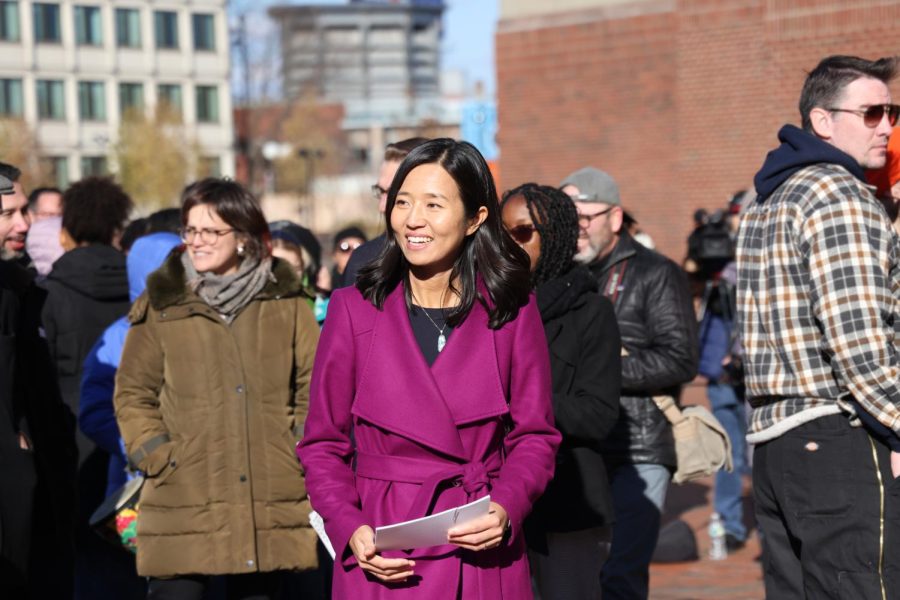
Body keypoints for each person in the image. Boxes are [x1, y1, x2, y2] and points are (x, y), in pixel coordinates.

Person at [298, 139, 561, 598]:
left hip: (480, 547)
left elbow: (535, 436)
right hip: (383, 551)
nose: (412, 220)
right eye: (402, 202)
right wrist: (349, 525)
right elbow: (322, 444)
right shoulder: (353, 310)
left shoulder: (513, 311)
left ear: (475, 218)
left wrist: (505, 507)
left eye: (433, 205)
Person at [737, 55, 900, 598]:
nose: (887, 126)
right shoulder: (838, 194)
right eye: (872, 112)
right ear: (822, 121)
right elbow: (861, 345)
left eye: (892, 112)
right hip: (841, 439)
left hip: (775, 445)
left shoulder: (769, 196)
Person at [114, 178, 320, 599]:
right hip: (182, 491)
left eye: (211, 231)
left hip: (270, 493)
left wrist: (295, 448)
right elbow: (133, 392)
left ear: (242, 237)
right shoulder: (164, 302)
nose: (198, 241)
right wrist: (158, 455)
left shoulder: (285, 301)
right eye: (191, 230)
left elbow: (313, 387)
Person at [560, 167, 698, 600]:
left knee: (619, 573)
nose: (578, 229)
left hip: (639, 450)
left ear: (615, 218)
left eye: (587, 217)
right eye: (569, 219)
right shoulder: (561, 278)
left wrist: (600, 373)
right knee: (579, 574)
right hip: (580, 449)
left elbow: (680, 359)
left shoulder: (656, 273)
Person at [501, 183, 621, 600]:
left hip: (566, 504)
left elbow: (598, 413)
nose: (510, 244)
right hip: (493, 503)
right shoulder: (486, 309)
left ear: (554, 237)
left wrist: (519, 405)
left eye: (524, 232)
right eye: (503, 233)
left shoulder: (592, 312)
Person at [0, 164, 77, 599]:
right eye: (10, 212)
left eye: (25, 211)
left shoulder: (19, 287)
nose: (24, 224)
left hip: (37, 496)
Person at [339, 137, 429, 288]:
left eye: (396, 194)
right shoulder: (364, 262)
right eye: (381, 191)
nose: (382, 206)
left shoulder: (475, 265)